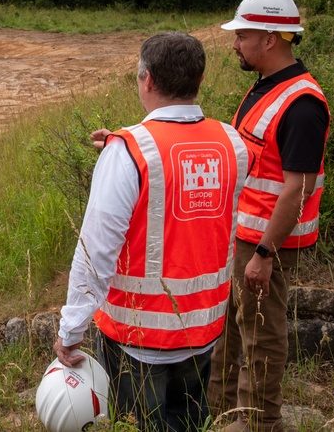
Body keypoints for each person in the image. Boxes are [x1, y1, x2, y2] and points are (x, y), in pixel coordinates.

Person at [54, 32, 251, 432]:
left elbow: (95, 252)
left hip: (136, 340)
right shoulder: (232, 144)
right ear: (198, 81)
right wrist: (120, 149)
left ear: (147, 79)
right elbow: (185, 179)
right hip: (204, 332)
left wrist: (70, 332)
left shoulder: (130, 152)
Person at [207, 0, 330, 432]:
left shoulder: (301, 105)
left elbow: (298, 189)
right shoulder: (266, 87)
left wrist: (263, 253)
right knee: (232, 327)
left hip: (267, 243)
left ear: (271, 37)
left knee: (261, 332)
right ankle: (220, 412)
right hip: (245, 235)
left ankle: (260, 422)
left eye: (242, 35)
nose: (235, 44)